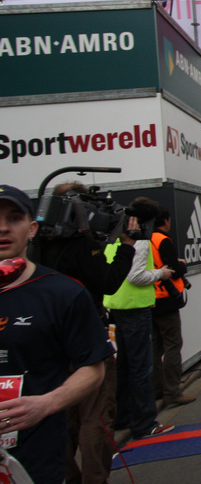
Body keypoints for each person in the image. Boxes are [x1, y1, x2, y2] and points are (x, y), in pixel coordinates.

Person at [0, 185, 113, 484]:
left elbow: (93, 368)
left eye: (14, 218)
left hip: (35, 461)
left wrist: (46, 404)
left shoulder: (62, 292)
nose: (3, 228)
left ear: (32, 228)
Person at [28, 182, 140, 484]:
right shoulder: (81, 243)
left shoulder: (35, 244)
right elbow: (108, 282)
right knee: (96, 417)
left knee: (61, 417)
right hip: (86, 342)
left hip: (48, 344)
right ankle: (95, 478)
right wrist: (127, 247)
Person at [103, 197, 175, 441]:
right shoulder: (140, 240)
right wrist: (160, 273)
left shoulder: (115, 237)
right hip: (135, 307)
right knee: (140, 368)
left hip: (117, 306)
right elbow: (136, 276)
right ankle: (144, 423)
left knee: (124, 366)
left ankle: (122, 416)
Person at [150, 209, 194, 408]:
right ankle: (172, 392)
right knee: (173, 345)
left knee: (155, 346)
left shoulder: (143, 240)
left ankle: (156, 388)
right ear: (166, 221)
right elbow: (173, 270)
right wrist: (181, 265)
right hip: (166, 297)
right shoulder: (162, 240)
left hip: (149, 297)